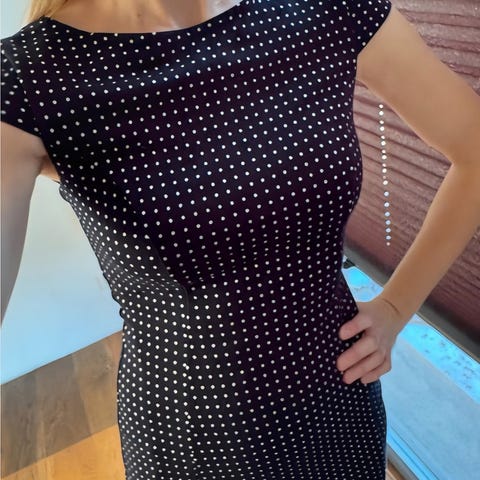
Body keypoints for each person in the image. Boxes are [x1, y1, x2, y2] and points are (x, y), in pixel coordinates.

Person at [1, 0, 479, 478]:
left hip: (340, 403)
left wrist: (396, 306)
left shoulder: (328, 9)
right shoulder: (27, 80)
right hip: (194, 438)